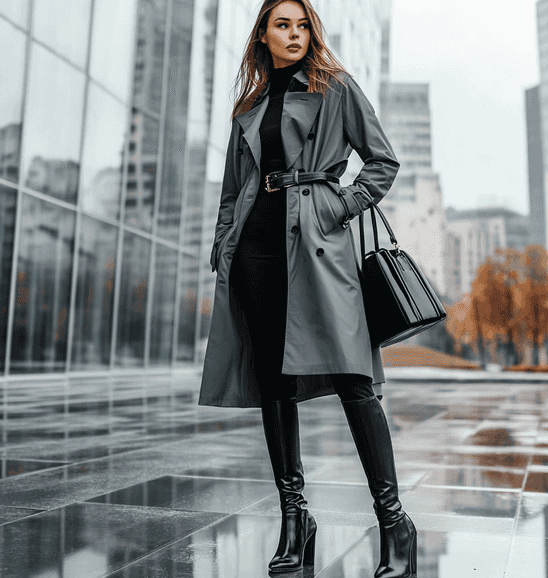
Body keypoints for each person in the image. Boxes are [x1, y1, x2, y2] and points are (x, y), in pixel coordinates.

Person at [198, 0, 416, 576]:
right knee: (274, 386)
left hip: (319, 249)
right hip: (256, 253)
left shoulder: (335, 86)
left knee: (354, 380)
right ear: (263, 36)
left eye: (302, 25)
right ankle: (295, 521)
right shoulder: (249, 105)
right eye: (281, 25)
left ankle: (395, 523)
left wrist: (337, 206)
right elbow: (230, 191)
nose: (293, 34)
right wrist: (224, 243)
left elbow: (382, 162)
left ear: (311, 34)